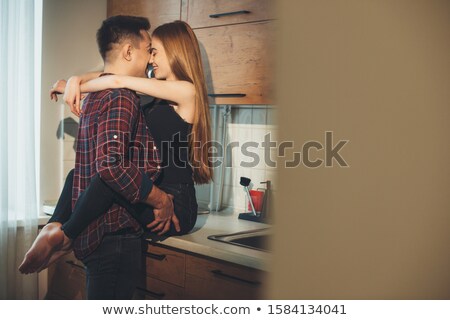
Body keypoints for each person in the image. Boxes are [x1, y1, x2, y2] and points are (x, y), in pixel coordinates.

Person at [20, 19, 213, 298]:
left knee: (107, 177)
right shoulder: (152, 89)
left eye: (155, 51)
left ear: (176, 51)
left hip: (175, 203)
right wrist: (75, 81)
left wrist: (78, 84)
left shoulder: (186, 91)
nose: (151, 59)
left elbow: (118, 79)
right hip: (152, 190)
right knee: (78, 176)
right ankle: (55, 226)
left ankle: (65, 237)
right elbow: (111, 72)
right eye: (150, 51)